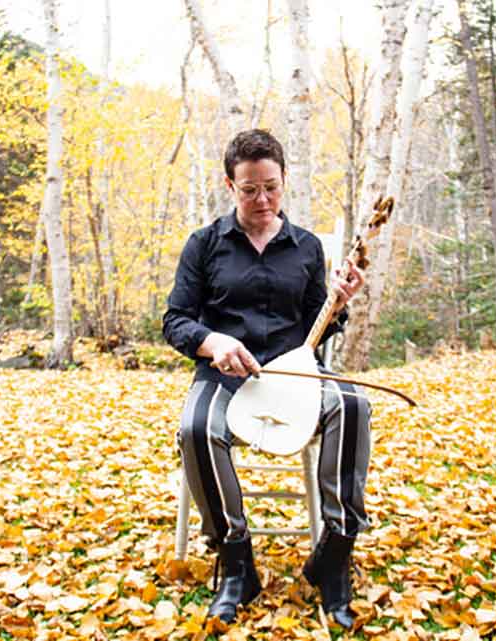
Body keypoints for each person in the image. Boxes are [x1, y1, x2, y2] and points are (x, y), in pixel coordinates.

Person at [163, 129, 371, 628]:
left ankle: (333, 556)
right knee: (195, 428)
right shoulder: (204, 245)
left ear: (284, 181)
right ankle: (236, 563)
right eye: (250, 189)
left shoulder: (305, 247)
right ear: (230, 185)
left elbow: (314, 331)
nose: (263, 200)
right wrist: (214, 343)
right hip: (226, 376)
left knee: (353, 405)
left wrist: (338, 304)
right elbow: (176, 321)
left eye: (272, 187)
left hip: (293, 374)